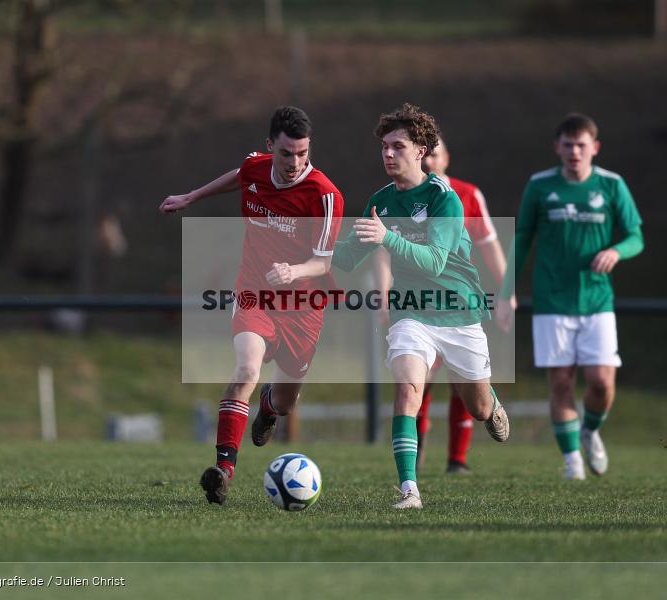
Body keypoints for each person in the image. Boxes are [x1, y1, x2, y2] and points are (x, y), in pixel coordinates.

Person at [160, 106, 344, 504]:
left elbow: (323, 262)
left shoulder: (325, 195)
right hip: (254, 292)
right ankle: (223, 472)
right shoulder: (256, 168)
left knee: (285, 399)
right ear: (269, 147)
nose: (295, 162)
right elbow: (240, 177)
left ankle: (269, 408)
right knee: (245, 368)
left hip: (303, 305)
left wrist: (292, 272)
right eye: (286, 153)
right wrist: (192, 196)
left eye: (302, 153)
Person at [333, 103, 509, 510]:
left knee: (478, 408)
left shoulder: (445, 199)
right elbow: (346, 257)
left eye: (398, 146)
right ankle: (409, 490)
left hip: (459, 311)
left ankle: (492, 401)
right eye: (384, 147)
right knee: (408, 389)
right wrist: (309, 246)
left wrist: (386, 238)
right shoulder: (381, 201)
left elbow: (434, 260)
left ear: (421, 151)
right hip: (411, 310)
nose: (388, 154)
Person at [496, 113, 644, 480]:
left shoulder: (611, 185)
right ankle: (571, 461)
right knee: (561, 381)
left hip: (596, 301)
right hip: (552, 302)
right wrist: (505, 292)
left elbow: (636, 237)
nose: (575, 151)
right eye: (568, 145)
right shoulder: (540, 186)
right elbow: (522, 239)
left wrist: (616, 252)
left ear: (594, 147)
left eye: (581, 145)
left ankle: (590, 431)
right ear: (557, 147)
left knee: (600, 383)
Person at [372, 136, 515, 475]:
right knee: (413, 381)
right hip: (414, 305)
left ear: (445, 158)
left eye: (436, 154)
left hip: (456, 304)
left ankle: (458, 458)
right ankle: (412, 468)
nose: (432, 161)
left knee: (470, 395)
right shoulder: (394, 198)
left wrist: (506, 293)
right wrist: (381, 291)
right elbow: (378, 247)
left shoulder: (462, 196)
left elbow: (489, 245)